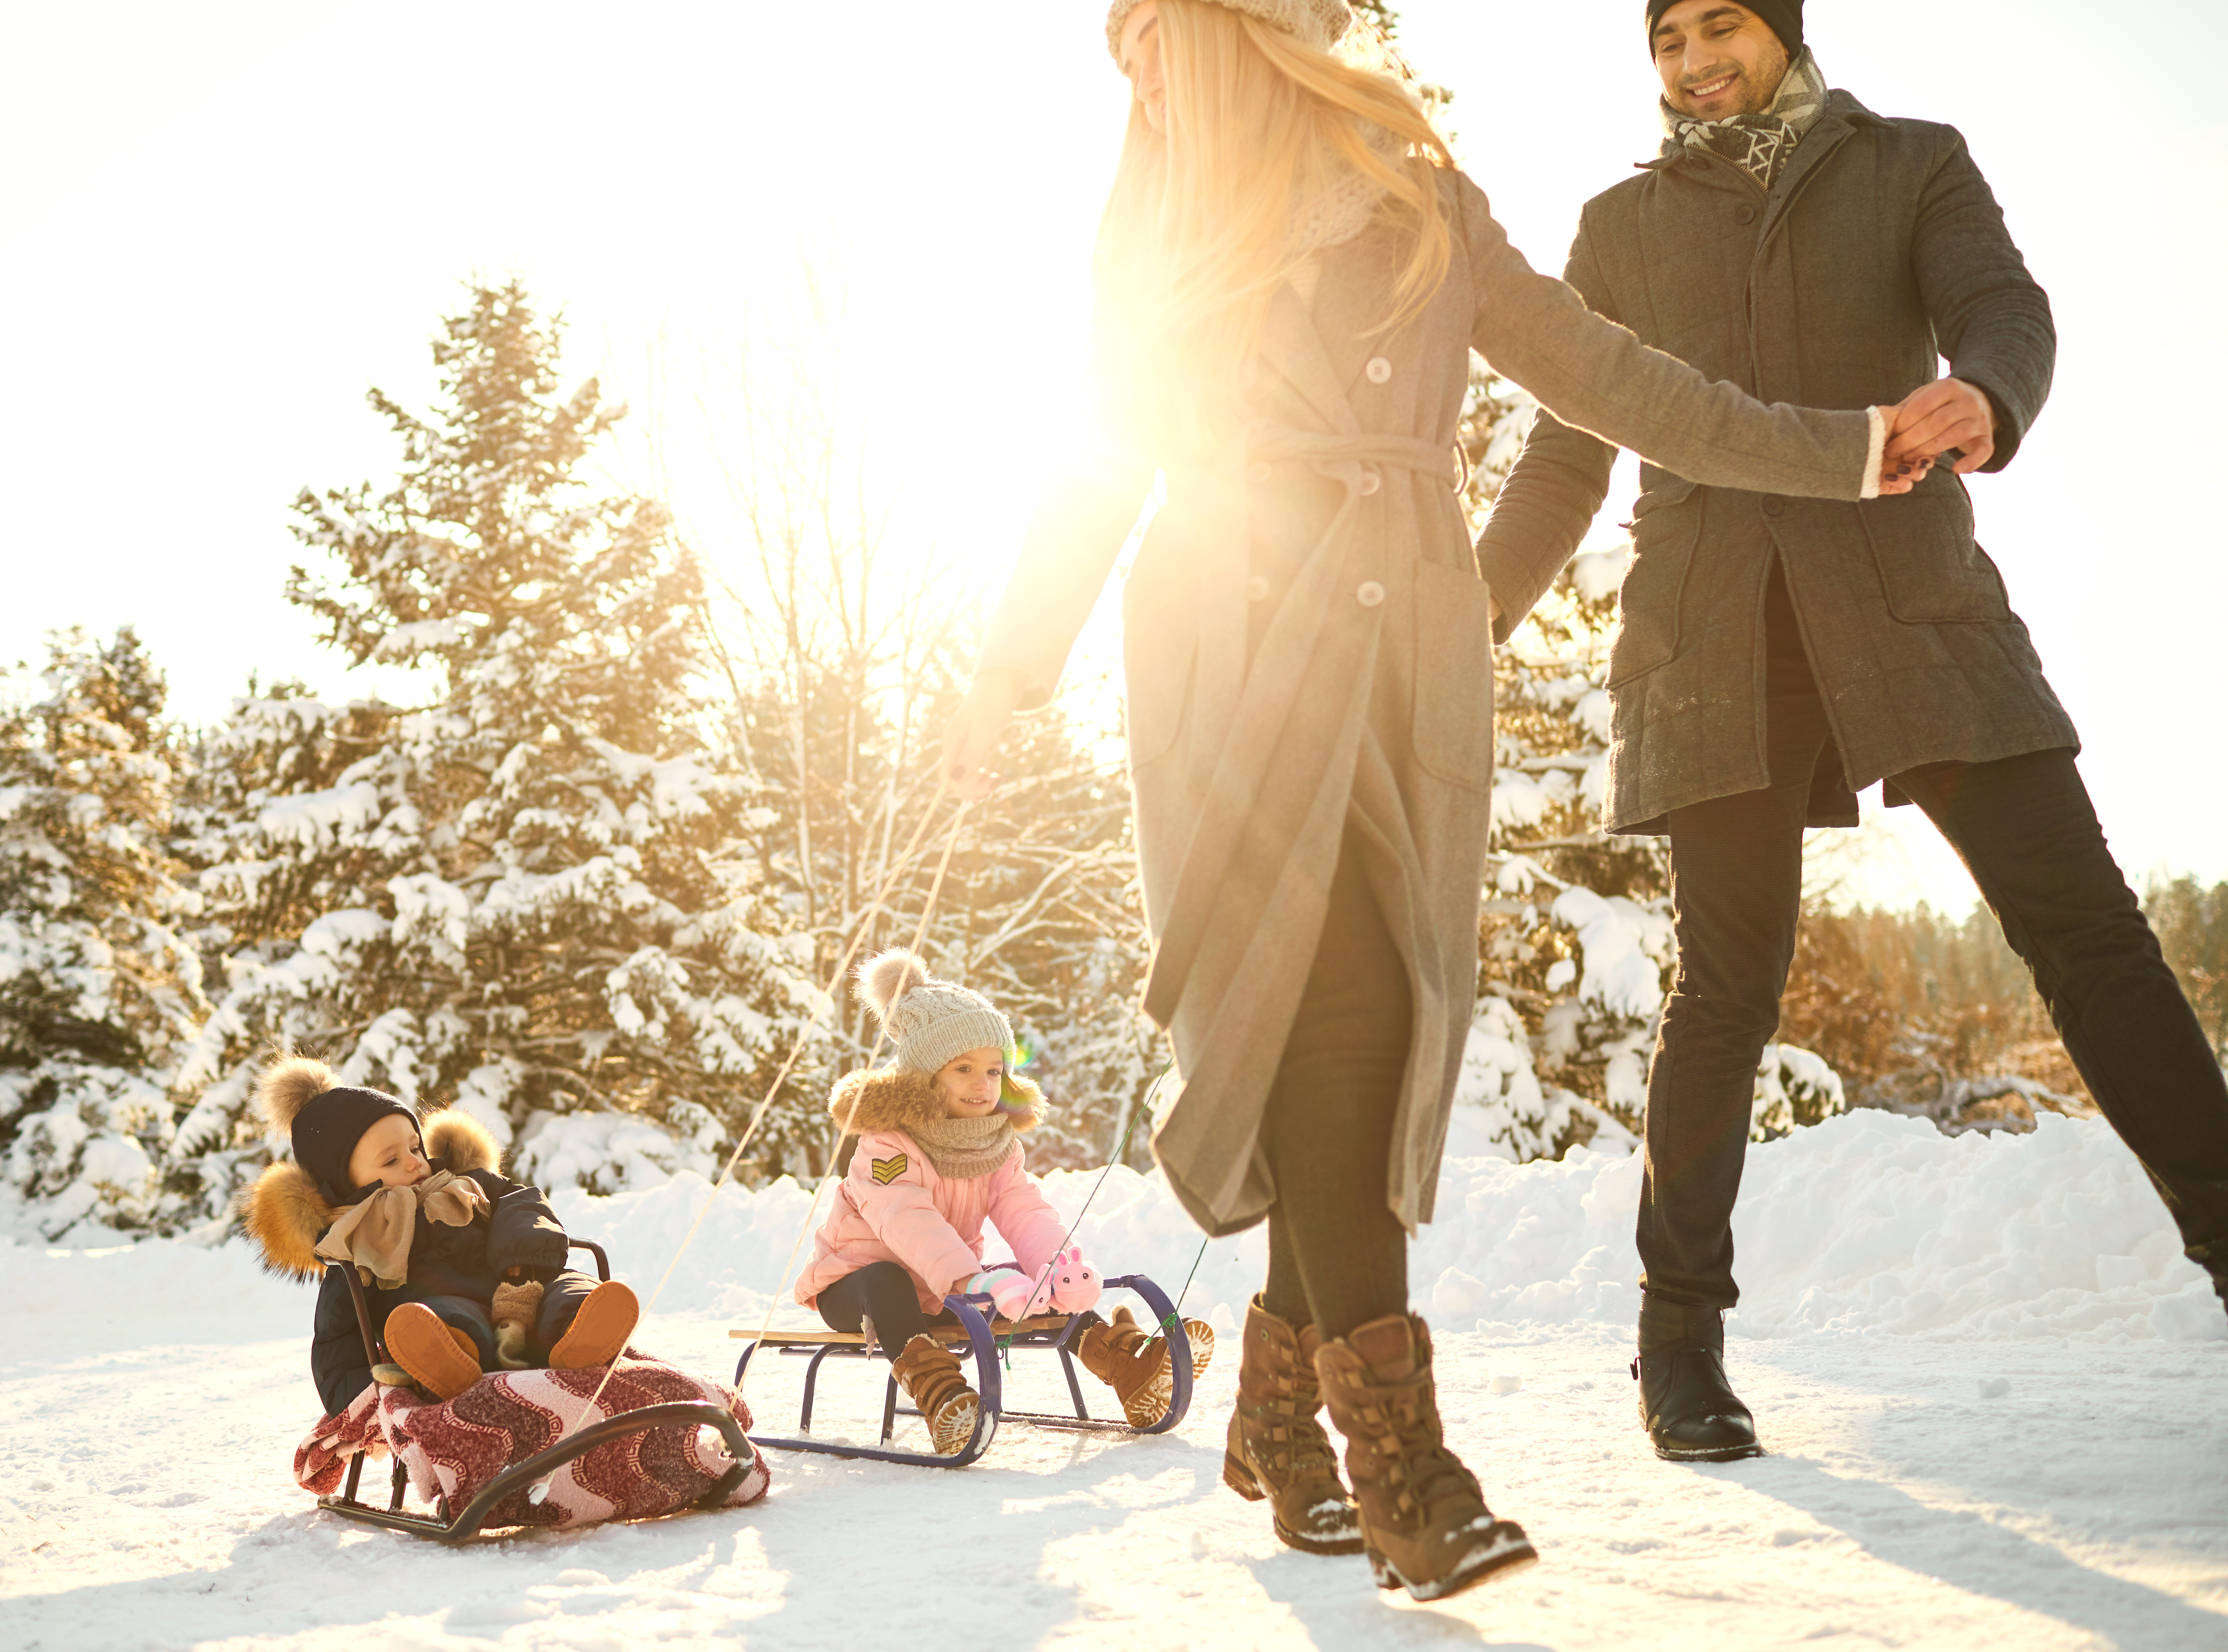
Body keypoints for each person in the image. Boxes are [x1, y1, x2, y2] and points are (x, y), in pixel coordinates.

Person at [939, 0, 1937, 1601]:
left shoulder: (1408, 185)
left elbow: (1605, 373)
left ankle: (1273, 1405)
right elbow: (1099, 456)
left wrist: (1843, 448)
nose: (1133, 73)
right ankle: (1401, 1463)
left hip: (1399, 635)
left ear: (1242, 32)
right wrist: (1003, 670)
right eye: (1117, 50)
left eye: (1152, 36)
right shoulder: (1156, 215)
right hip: (1227, 629)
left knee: (1373, 1017)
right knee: (1314, 997)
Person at [1476, 0, 2228, 1467]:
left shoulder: (1910, 166)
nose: (1695, 63)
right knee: (1726, 980)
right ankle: (1677, 1343)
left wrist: (1991, 394)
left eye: (1721, 28)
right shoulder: (1620, 226)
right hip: (1713, 636)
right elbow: (1569, 439)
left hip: (1913, 610)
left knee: (2085, 928)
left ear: (1783, 29)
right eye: (1669, 39)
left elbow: (2007, 306)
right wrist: (1469, 617)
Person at [794, 950, 1215, 1454]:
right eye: (964, 1069)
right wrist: (969, 1280)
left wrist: (1056, 1268)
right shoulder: (888, 1140)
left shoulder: (994, 1141)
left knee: (1031, 1278)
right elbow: (905, 1218)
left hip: (946, 1287)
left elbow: (1024, 1208)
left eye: (994, 1071)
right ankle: (943, 1396)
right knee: (890, 1279)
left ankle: (1127, 1366)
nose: (983, 1085)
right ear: (926, 1078)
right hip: (858, 1287)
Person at [241, 1055, 641, 1414]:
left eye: (415, 1148)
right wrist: (359, 1400)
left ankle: (580, 1331)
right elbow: (338, 1336)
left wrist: (523, 1267)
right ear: (345, 1183)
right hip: (450, 1312)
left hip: (523, 1289)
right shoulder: (357, 1242)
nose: (415, 1163)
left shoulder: (463, 1183)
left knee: (571, 1287)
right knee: (442, 1319)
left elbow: (524, 1202)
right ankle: (444, 1359)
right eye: (392, 1159)